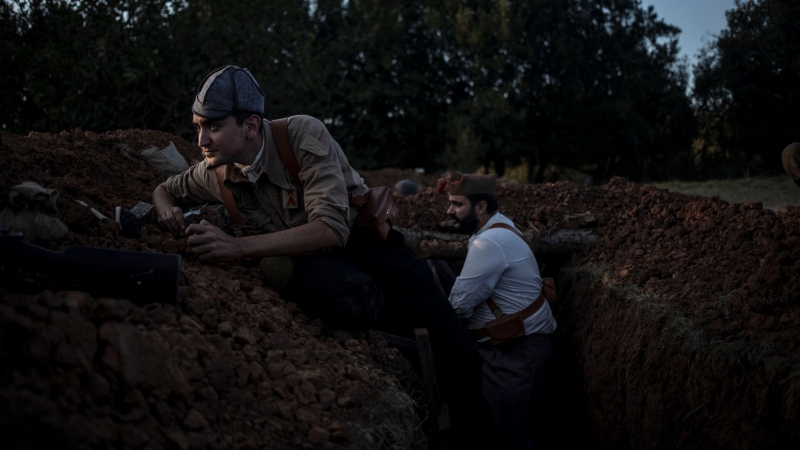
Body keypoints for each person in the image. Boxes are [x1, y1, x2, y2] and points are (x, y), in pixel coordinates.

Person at [152, 65, 493, 445]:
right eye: (198, 125)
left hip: (363, 242)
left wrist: (237, 247)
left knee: (456, 348)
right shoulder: (213, 171)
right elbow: (165, 189)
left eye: (212, 127)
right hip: (310, 256)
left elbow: (331, 228)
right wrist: (166, 209)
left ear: (250, 126)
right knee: (344, 297)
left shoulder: (300, 133)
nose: (201, 139)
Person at [441, 171, 557, 449]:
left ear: (481, 206)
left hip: (515, 353)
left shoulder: (488, 242)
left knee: (512, 434)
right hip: (513, 348)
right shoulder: (500, 228)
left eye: (458, 204)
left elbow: (458, 305)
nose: (449, 210)